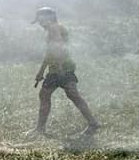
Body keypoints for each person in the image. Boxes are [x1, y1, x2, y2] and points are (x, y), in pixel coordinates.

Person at [30, 7, 99, 136]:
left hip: (61, 68)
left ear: (47, 18)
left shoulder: (53, 28)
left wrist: (60, 68)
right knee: (61, 95)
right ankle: (93, 123)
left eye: (40, 20)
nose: (39, 23)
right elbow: (50, 53)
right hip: (59, 68)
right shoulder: (54, 28)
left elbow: (58, 47)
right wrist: (41, 72)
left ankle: (40, 129)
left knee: (65, 95)